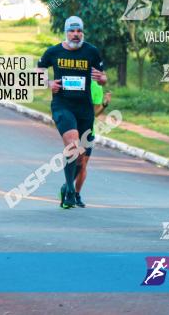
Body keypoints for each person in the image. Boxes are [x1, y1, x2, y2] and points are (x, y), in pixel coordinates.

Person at [37, 16, 106, 209]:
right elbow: (38, 71)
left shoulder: (91, 51)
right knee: (74, 145)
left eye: (79, 31)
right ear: (66, 32)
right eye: (72, 31)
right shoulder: (53, 52)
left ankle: (66, 186)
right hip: (62, 105)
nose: (76, 35)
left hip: (84, 109)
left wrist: (102, 79)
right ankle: (69, 190)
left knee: (81, 158)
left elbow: (103, 77)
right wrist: (48, 83)